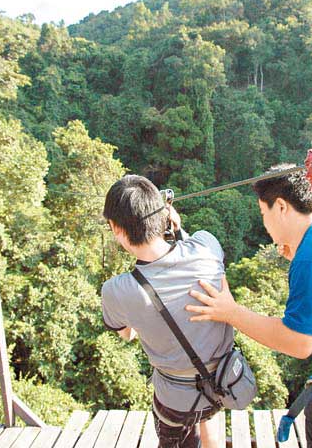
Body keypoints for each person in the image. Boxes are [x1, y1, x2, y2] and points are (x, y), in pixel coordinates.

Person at [185, 165, 312, 447]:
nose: (264, 224)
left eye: (263, 214)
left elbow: (299, 342)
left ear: (280, 207)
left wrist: (230, 312)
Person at [101, 174, 234, 448]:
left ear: (116, 227)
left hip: (175, 400)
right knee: (210, 414)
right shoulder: (207, 245)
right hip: (223, 380)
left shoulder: (117, 290)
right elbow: (193, 252)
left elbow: (127, 335)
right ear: (161, 214)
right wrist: (177, 230)